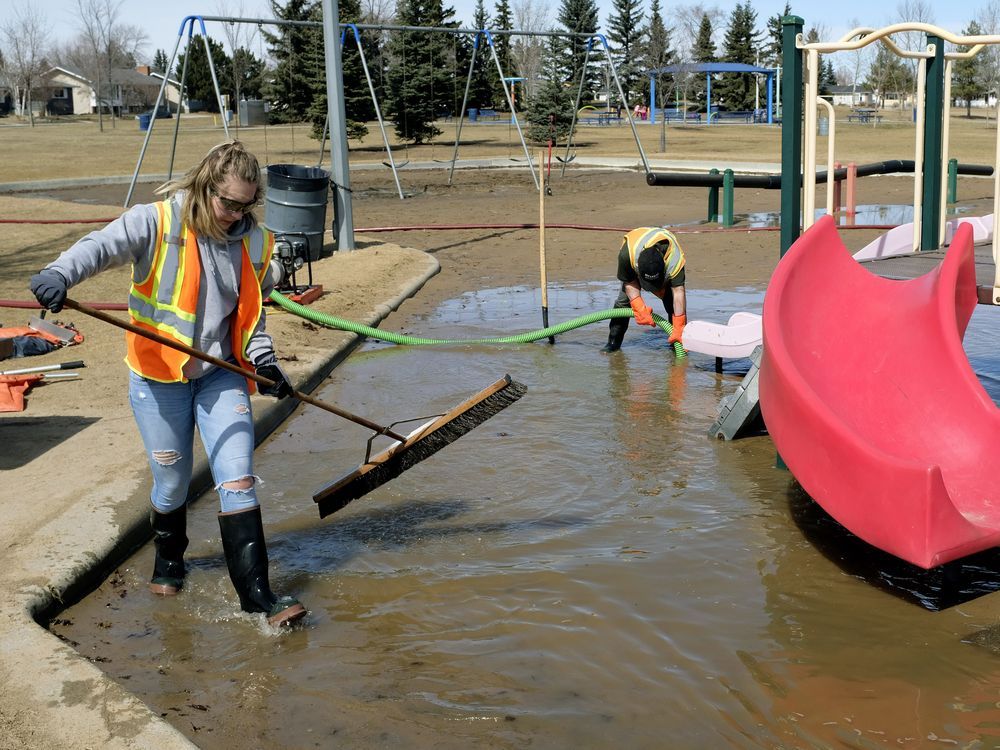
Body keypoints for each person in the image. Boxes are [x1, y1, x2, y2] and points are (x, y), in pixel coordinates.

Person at [29, 141, 307, 627]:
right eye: (228, 204)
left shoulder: (256, 242)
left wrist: (265, 364)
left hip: (222, 376)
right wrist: (59, 273)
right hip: (159, 378)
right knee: (173, 480)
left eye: (246, 205)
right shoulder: (156, 221)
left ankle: (259, 598)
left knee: (238, 478)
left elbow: (251, 319)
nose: (235, 215)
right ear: (205, 186)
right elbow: (100, 246)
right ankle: (169, 560)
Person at [602, 226, 687, 353]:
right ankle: (613, 343)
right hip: (635, 249)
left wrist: (680, 324)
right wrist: (638, 306)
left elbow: (678, 292)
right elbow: (629, 283)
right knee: (623, 302)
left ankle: (677, 347)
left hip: (664, 267)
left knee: (672, 304)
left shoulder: (675, 260)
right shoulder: (627, 255)